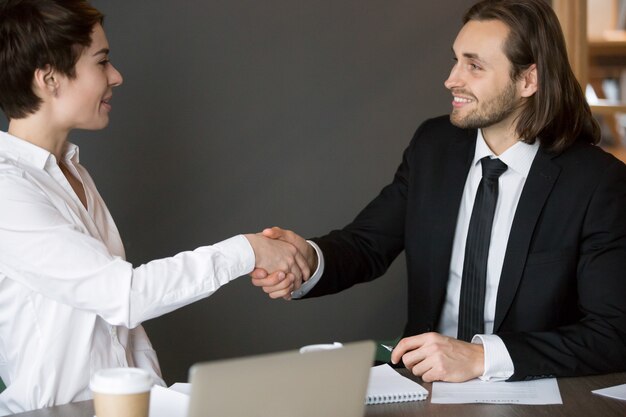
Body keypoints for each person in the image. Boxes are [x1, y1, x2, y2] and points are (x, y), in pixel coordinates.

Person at [252, 0, 626, 383]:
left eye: (474, 65)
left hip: (528, 392)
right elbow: (365, 244)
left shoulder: (597, 183)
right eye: (456, 60)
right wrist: (307, 261)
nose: (451, 79)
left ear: (529, 80)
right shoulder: (433, 146)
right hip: (419, 386)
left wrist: (481, 358)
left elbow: (613, 334)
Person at [0, 0, 305, 414]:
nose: (116, 76)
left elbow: (117, 329)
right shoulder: (7, 188)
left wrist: (157, 397)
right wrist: (248, 250)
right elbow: (122, 295)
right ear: (49, 78)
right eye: (102, 61)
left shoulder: (70, 170)